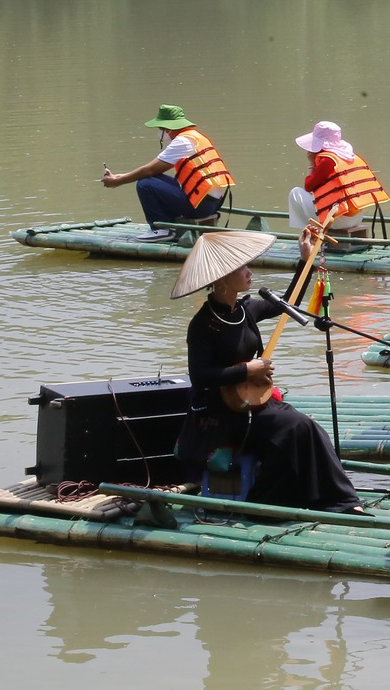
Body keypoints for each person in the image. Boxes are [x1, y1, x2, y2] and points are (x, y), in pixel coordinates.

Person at [176, 254, 362, 513]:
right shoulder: (202, 325)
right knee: (291, 428)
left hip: (253, 400)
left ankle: (341, 500)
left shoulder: (247, 309)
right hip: (221, 412)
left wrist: (304, 260)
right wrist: (247, 369)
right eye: (242, 267)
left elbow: (289, 303)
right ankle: (268, 501)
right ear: (222, 280)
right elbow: (200, 377)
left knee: (309, 427)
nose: (249, 272)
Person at [102, 104, 234, 242]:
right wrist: (121, 176)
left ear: (168, 128)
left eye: (161, 129)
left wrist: (118, 181)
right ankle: (167, 224)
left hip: (200, 206)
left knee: (145, 184)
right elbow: (155, 170)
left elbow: (150, 170)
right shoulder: (195, 137)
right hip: (211, 203)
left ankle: (162, 229)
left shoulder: (181, 142)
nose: (160, 133)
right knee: (154, 179)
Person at [288, 121, 388, 252]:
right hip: (356, 217)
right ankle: (314, 233)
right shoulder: (348, 155)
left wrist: (311, 163)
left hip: (339, 219)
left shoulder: (327, 160)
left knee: (296, 193)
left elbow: (308, 186)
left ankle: (309, 236)